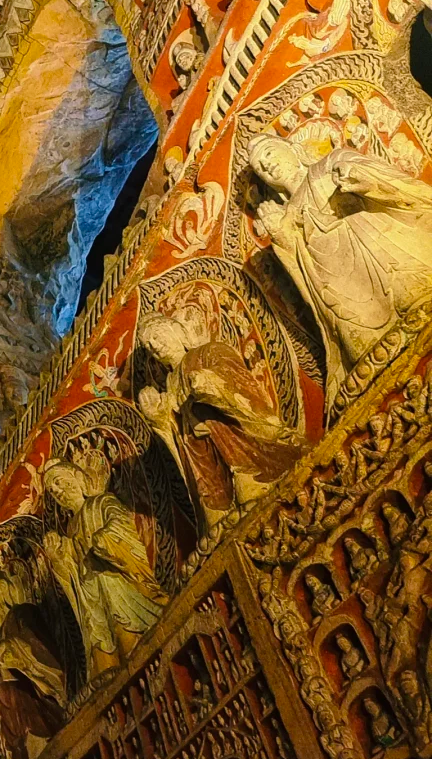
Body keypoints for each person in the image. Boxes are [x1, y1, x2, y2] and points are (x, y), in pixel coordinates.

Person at [248, 135, 432, 409]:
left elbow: (387, 181)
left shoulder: (329, 165)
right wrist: (281, 235)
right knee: (362, 348)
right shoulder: (288, 216)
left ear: (293, 149)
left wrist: (359, 176)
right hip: (346, 296)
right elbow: (304, 275)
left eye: (269, 153)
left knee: (413, 294)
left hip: (384, 255)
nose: (267, 165)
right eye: (260, 167)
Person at [137, 308, 301, 530]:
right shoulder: (170, 383)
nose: (155, 346)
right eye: (149, 346)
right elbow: (176, 434)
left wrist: (209, 384)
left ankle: (247, 473)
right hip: (205, 458)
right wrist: (159, 418)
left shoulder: (207, 353)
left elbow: (242, 385)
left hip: (234, 438)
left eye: (157, 337)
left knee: (216, 425)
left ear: (176, 331)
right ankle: (217, 505)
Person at [43, 453, 166, 681]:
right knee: (99, 633)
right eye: (52, 490)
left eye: (59, 482)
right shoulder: (71, 528)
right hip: (92, 597)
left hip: (115, 583)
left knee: (118, 613)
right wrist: (58, 556)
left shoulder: (101, 502)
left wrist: (104, 540)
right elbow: (72, 572)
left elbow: (120, 524)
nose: (57, 491)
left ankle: (134, 648)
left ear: (78, 477)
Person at [0, 566, 68, 759]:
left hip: (35, 707)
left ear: (2, 588)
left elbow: (43, 654)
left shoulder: (20, 614)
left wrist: (14, 651)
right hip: (13, 725)